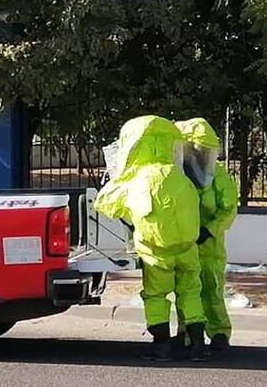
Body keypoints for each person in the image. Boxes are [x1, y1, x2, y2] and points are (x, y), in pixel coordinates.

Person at [95, 115, 210, 361]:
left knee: (156, 295)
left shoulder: (136, 179)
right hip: (187, 248)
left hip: (155, 250)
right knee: (190, 292)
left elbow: (105, 205)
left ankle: (161, 346)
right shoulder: (180, 176)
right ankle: (198, 346)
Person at [175, 117, 239, 351]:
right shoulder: (177, 173)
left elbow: (229, 209)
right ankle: (188, 333)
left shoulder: (218, 175)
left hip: (209, 244)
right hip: (185, 242)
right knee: (186, 289)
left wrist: (210, 230)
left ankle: (220, 333)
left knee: (212, 288)